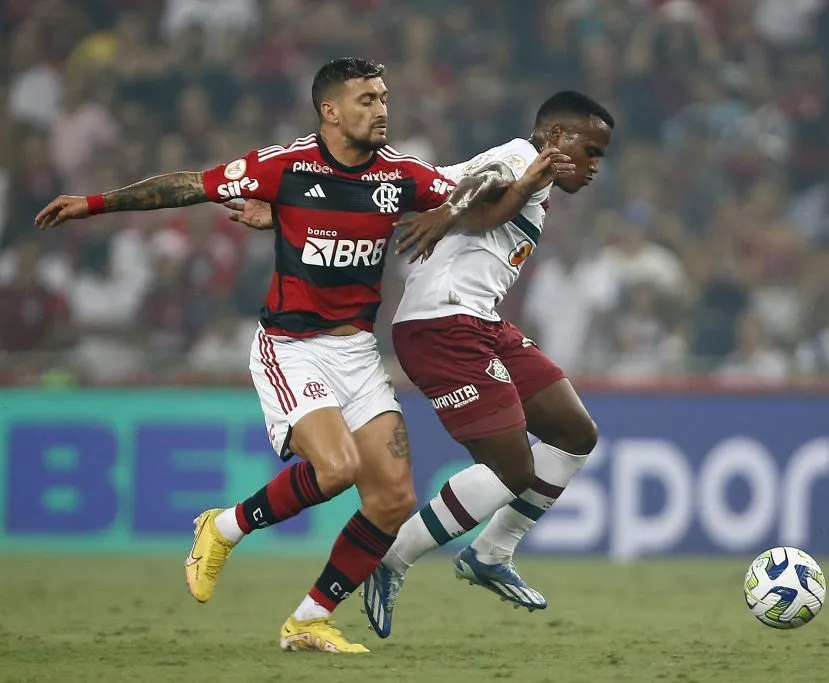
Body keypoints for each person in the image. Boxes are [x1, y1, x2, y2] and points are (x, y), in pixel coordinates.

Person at [34, 57, 572, 654]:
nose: (382, 109)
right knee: (338, 468)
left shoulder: (401, 175)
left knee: (393, 499)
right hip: (291, 349)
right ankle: (225, 526)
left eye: (385, 97)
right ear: (331, 110)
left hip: (359, 354)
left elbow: (481, 195)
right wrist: (93, 202)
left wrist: (504, 191)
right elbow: (191, 184)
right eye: (367, 100)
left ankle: (308, 619)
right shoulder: (284, 167)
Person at [226, 90, 614, 638]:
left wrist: (297, 211)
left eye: (601, 155)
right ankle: (392, 557)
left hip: (481, 322)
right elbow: (482, 188)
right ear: (554, 137)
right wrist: (454, 211)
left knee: (576, 433)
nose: (596, 165)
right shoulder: (517, 158)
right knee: (514, 471)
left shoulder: (525, 174)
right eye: (591, 150)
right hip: (442, 328)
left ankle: (492, 553)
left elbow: (401, 187)